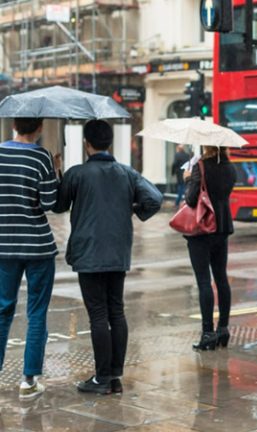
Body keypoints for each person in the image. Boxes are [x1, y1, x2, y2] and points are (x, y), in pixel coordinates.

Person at [54, 120, 162, 394]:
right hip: (117, 251)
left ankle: (101, 378)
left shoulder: (76, 174)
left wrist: (58, 174)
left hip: (88, 253)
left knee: (98, 315)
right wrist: (133, 209)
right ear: (109, 142)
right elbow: (156, 199)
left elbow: (59, 205)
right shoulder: (127, 173)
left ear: (86, 144)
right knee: (116, 311)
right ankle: (114, 377)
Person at [0, 118, 59, 399]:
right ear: (38, 128)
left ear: (14, 125)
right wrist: (55, 172)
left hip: (3, 246)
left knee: (2, 311)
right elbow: (50, 203)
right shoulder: (42, 157)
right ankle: (29, 380)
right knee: (36, 312)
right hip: (38, 246)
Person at [184, 146, 237, 351]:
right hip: (222, 227)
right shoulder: (230, 168)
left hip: (202, 228)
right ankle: (223, 329)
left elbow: (191, 198)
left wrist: (188, 178)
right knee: (221, 278)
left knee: (204, 281)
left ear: (207, 146)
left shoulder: (201, 167)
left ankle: (207, 332)